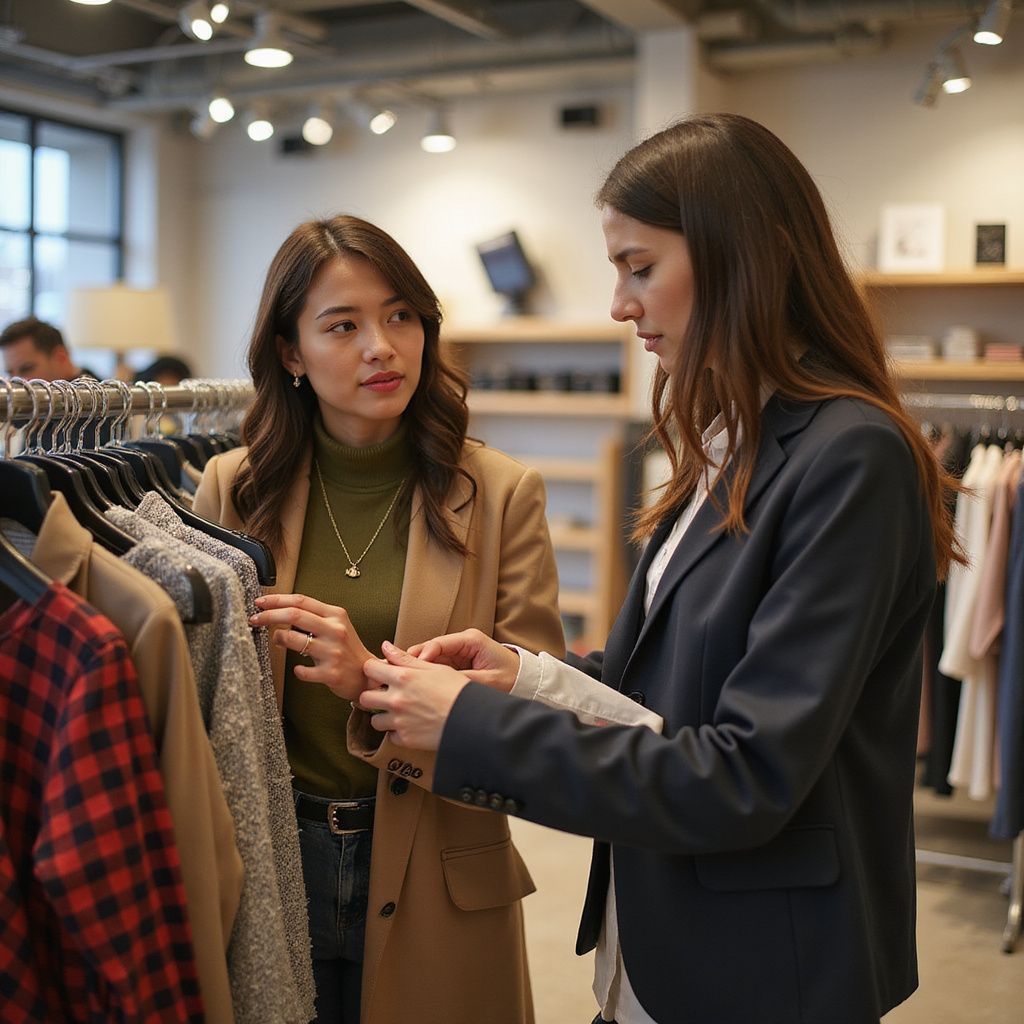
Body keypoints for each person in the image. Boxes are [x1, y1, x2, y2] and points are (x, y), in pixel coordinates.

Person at [354, 114, 961, 1024]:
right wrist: (521, 678)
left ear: (736, 256)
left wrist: (476, 727)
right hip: (661, 944)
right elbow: (665, 690)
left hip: (763, 969)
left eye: (640, 267)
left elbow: (745, 776)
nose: (619, 304)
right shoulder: (724, 439)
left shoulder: (849, 458)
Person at [192, 214, 564, 1024]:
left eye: (401, 316)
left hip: (438, 860)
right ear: (290, 353)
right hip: (272, 857)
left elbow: (538, 718)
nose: (382, 347)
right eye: (343, 325)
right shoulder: (230, 488)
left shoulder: (499, 493)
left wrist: (376, 685)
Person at [1, 315, 95, 381]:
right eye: (10, 373)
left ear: (60, 357)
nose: (15, 383)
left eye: (26, 369)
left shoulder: (104, 403)